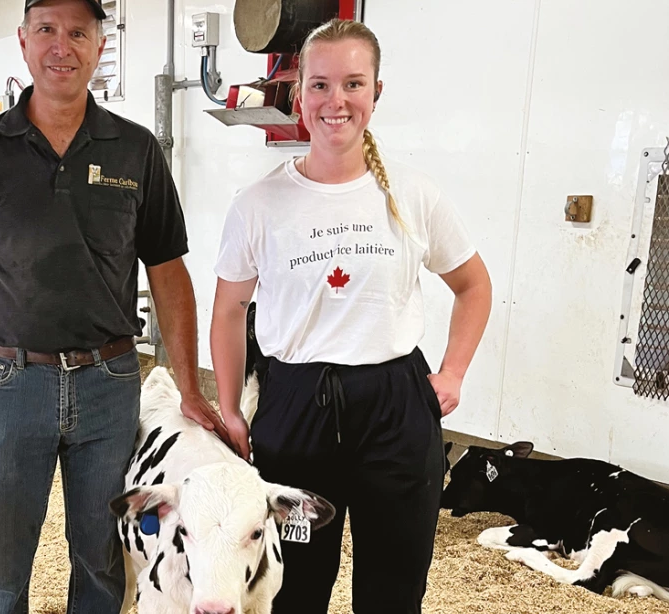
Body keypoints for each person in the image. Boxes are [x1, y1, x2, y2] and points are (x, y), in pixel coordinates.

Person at [0, 0, 240, 612]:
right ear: (24, 42)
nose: (62, 46)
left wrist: (190, 387)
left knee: (101, 556)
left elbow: (168, 272)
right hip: (11, 381)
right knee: (2, 561)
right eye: (47, 31)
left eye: (78, 33)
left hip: (109, 385)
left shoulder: (135, 150)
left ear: (100, 46)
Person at [209, 18, 493, 614]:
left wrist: (453, 373)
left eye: (353, 84)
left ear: (376, 93)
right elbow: (230, 312)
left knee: (393, 589)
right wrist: (232, 408)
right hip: (295, 412)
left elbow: (473, 286)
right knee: (297, 589)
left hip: (396, 409)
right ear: (298, 94)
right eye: (319, 85)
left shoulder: (414, 194)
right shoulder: (259, 204)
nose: (335, 101)